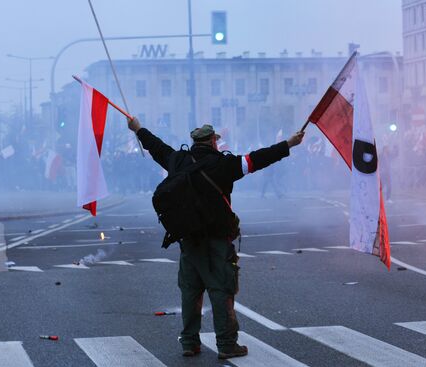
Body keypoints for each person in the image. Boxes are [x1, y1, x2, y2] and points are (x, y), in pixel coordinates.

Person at [127, 117, 304, 359]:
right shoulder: (224, 165)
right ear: (212, 141)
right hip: (216, 241)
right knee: (221, 290)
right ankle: (227, 344)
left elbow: (156, 147)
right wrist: (289, 144)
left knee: (190, 291)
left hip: (188, 240)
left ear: (194, 142)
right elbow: (258, 159)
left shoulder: (178, 161)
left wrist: (138, 128)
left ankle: (189, 342)